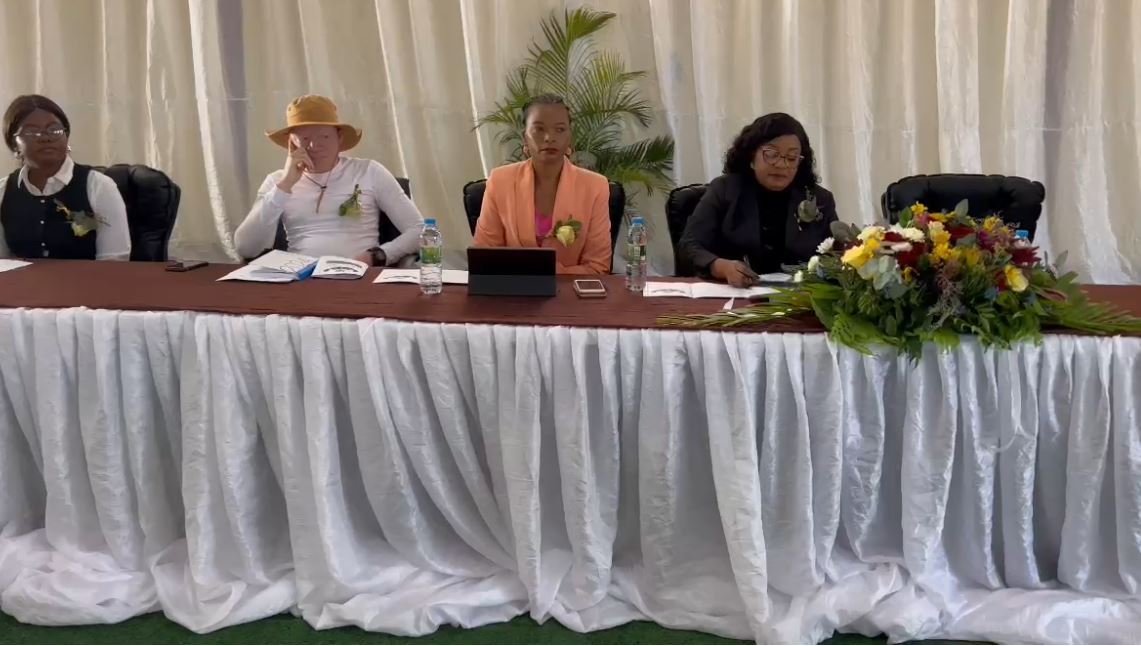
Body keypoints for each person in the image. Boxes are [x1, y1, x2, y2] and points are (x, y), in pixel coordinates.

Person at [235, 94, 423, 266]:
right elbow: (246, 248)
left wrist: (378, 255)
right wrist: (285, 185)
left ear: (339, 137)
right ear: (292, 141)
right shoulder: (277, 181)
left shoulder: (369, 171)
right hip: (298, 278)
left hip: (357, 275)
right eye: (304, 138)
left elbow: (420, 230)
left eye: (324, 136)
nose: (314, 145)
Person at [677, 113, 837, 286]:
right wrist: (721, 267)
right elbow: (688, 246)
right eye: (772, 154)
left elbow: (838, 255)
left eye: (791, 158)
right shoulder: (724, 190)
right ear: (751, 157)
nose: (781, 164)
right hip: (735, 293)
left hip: (799, 295)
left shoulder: (820, 199)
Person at [473, 94, 611, 275]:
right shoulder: (500, 181)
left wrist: (550, 274)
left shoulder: (595, 186)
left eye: (560, 129)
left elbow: (597, 267)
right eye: (539, 129)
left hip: (569, 290)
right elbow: (484, 257)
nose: (549, 137)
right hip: (512, 289)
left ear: (569, 138)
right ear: (525, 137)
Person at [0, 94, 130, 260]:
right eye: (32, 132)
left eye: (54, 129)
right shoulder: (3, 191)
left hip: (90, 277)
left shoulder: (99, 187)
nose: (46, 138)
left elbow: (114, 261)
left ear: (66, 136)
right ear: (14, 144)